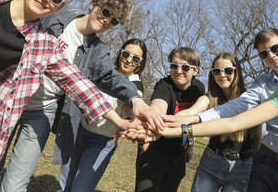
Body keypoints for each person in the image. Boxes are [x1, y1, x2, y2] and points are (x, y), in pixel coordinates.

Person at [0, 0, 159, 192]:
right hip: (9, 100)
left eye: (114, 21)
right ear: (93, 5)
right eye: (106, 12)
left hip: (43, 111)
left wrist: (134, 100)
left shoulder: (96, 51)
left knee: (14, 186)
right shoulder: (51, 17)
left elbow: (97, 81)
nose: (107, 21)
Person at [148, 19, 278, 192]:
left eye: (275, 48)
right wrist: (182, 122)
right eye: (264, 54)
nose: (271, 56)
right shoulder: (275, 88)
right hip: (265, 164)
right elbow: (233, 115)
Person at [63, 38, 147, 192]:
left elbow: (127, 104)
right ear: (120, 52)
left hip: (100, 143)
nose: (129, 60)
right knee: (64, 186)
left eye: (135, 58)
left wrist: (127, 120)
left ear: (140, 63)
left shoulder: (135, 85)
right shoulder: (106, 71)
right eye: (126, 54)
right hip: (79, 130)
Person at [175, 51, 261, 192]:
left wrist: (256, 167)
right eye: (216, 71)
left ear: (237, 71)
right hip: (211, 163)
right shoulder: (209, 98)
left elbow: (257, 136)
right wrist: (160, 120)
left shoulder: (250, 100)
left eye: (228, 70)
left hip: (243, 168)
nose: (221, 75)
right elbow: (191, 113)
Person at [135, 47, 205, 192]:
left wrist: (190, 146)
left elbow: (195, 120)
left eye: (185, 67)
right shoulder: (164, 85)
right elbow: (158, 106)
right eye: (174, 66)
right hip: (154, 151)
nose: (179, 71)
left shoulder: (198, 88)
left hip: (178, 154)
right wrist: (154, 115)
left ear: (195, 70)